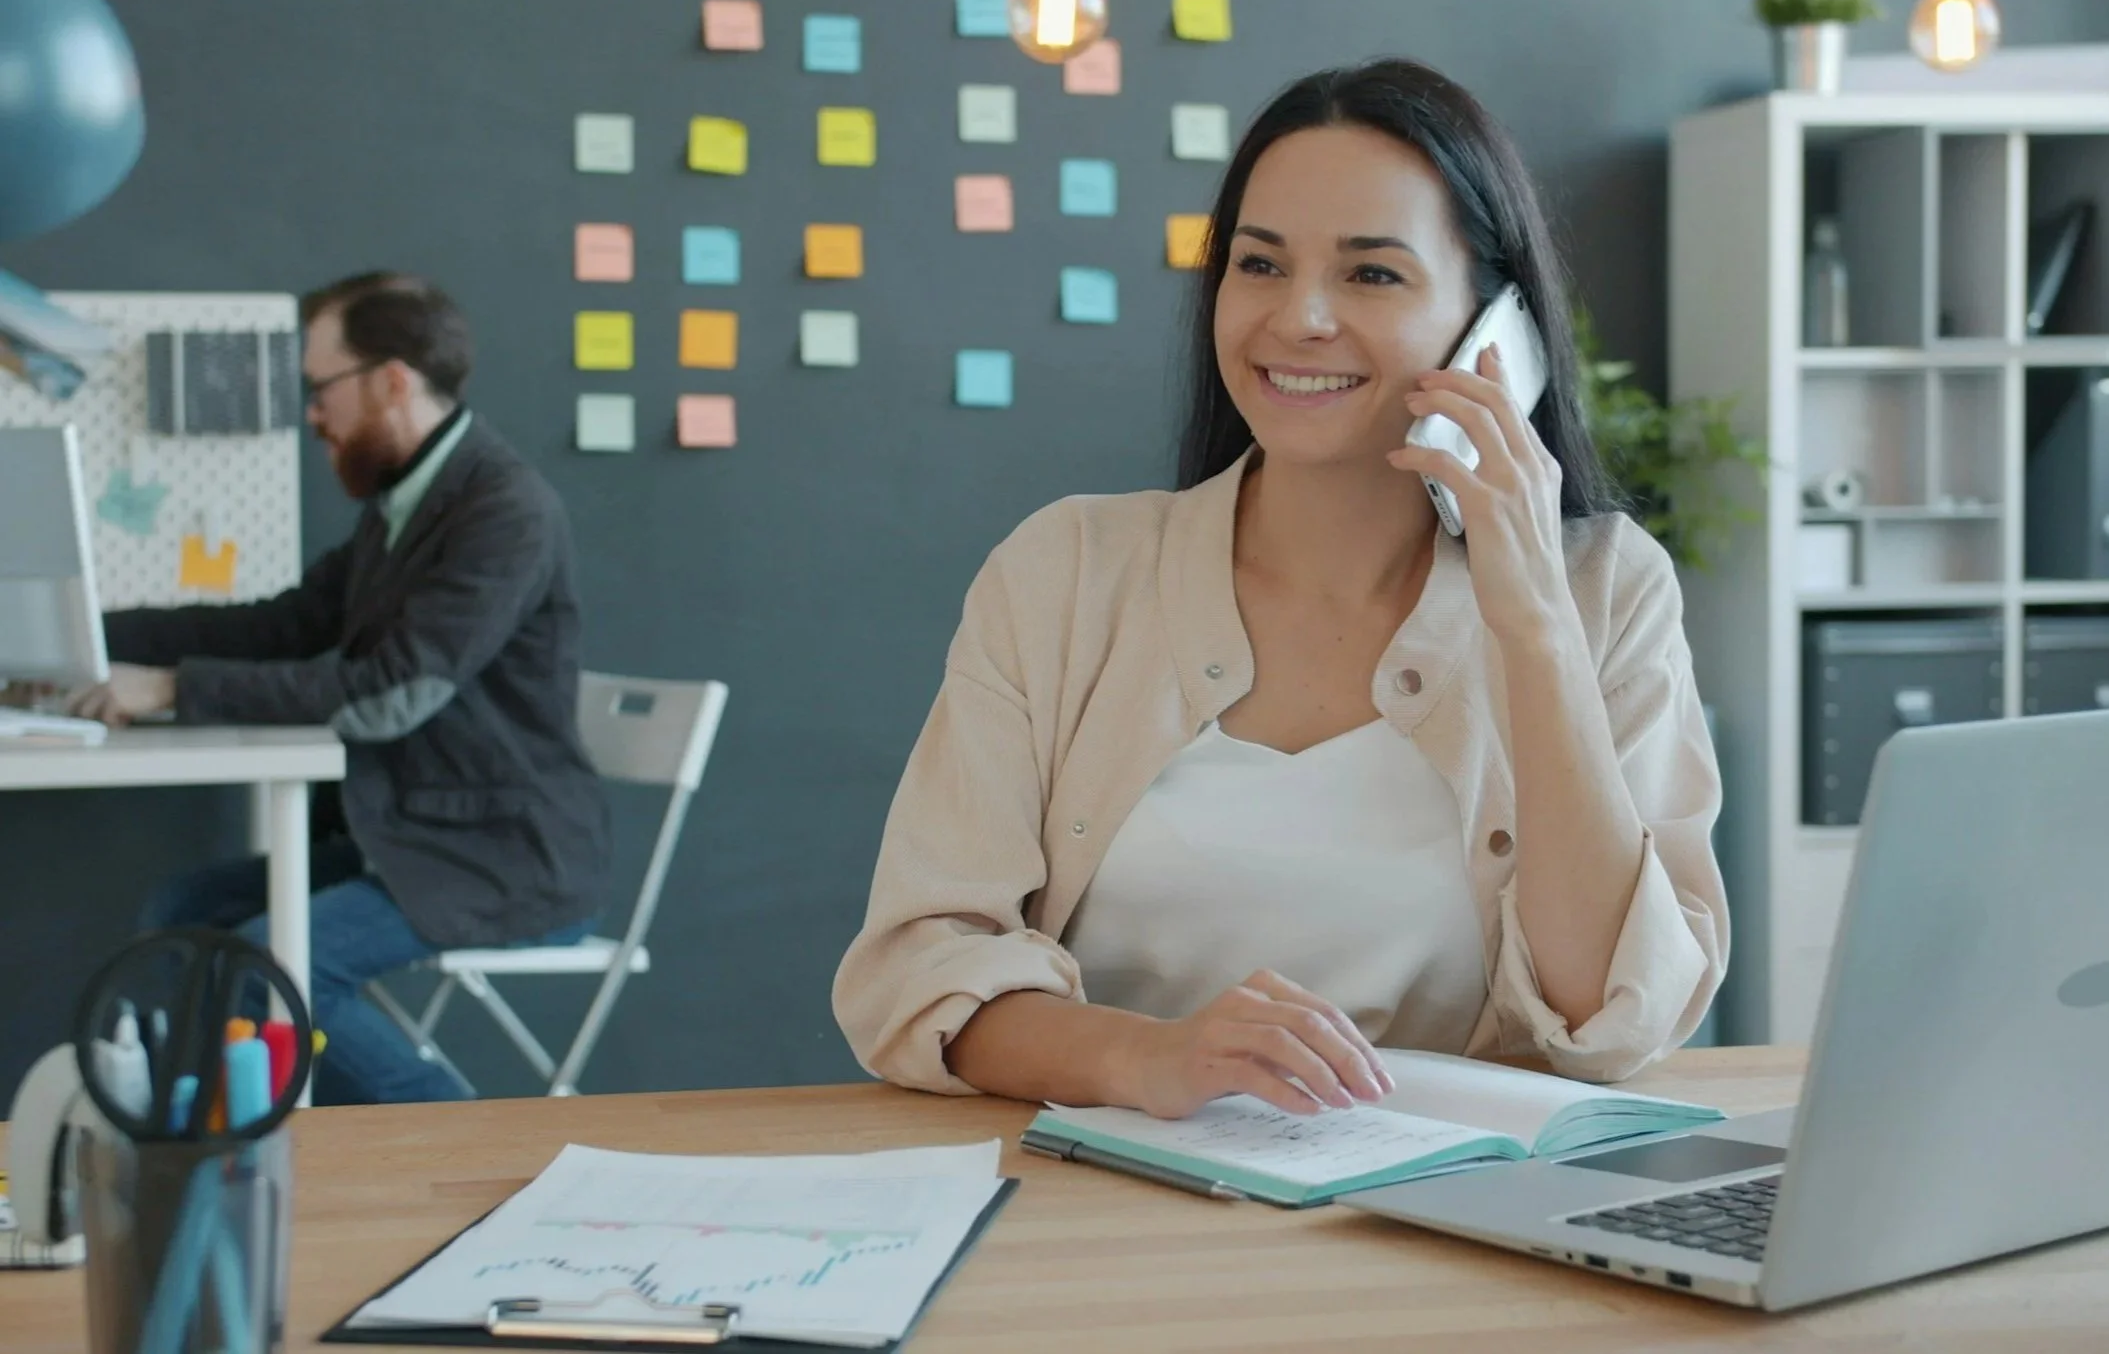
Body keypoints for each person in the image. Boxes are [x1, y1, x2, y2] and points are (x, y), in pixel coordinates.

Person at [832, 60, 1728, 1120]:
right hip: (1097, 1219)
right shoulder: (1065, 571)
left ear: (1498, 334)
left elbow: (1609, 1020)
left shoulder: (1606, 591)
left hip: (1452, 1226)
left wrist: (1533, 621)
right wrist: (1151, 1058)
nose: (1298, 316)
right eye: (1259, 264)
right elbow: (919, 967)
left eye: (1372, 274)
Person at [69, 272, 611, 1105]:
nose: (311, 413)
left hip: (500, 858)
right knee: (184, 911)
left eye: (320, 387)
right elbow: (278, 627)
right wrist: (90, 633)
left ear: (392, 380)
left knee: (270, 964)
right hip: (406, 836)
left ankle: (455, 1128)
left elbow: (394, 691)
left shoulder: (504, 511)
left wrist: (171, 689)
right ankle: (216, 1135)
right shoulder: (404, 507)